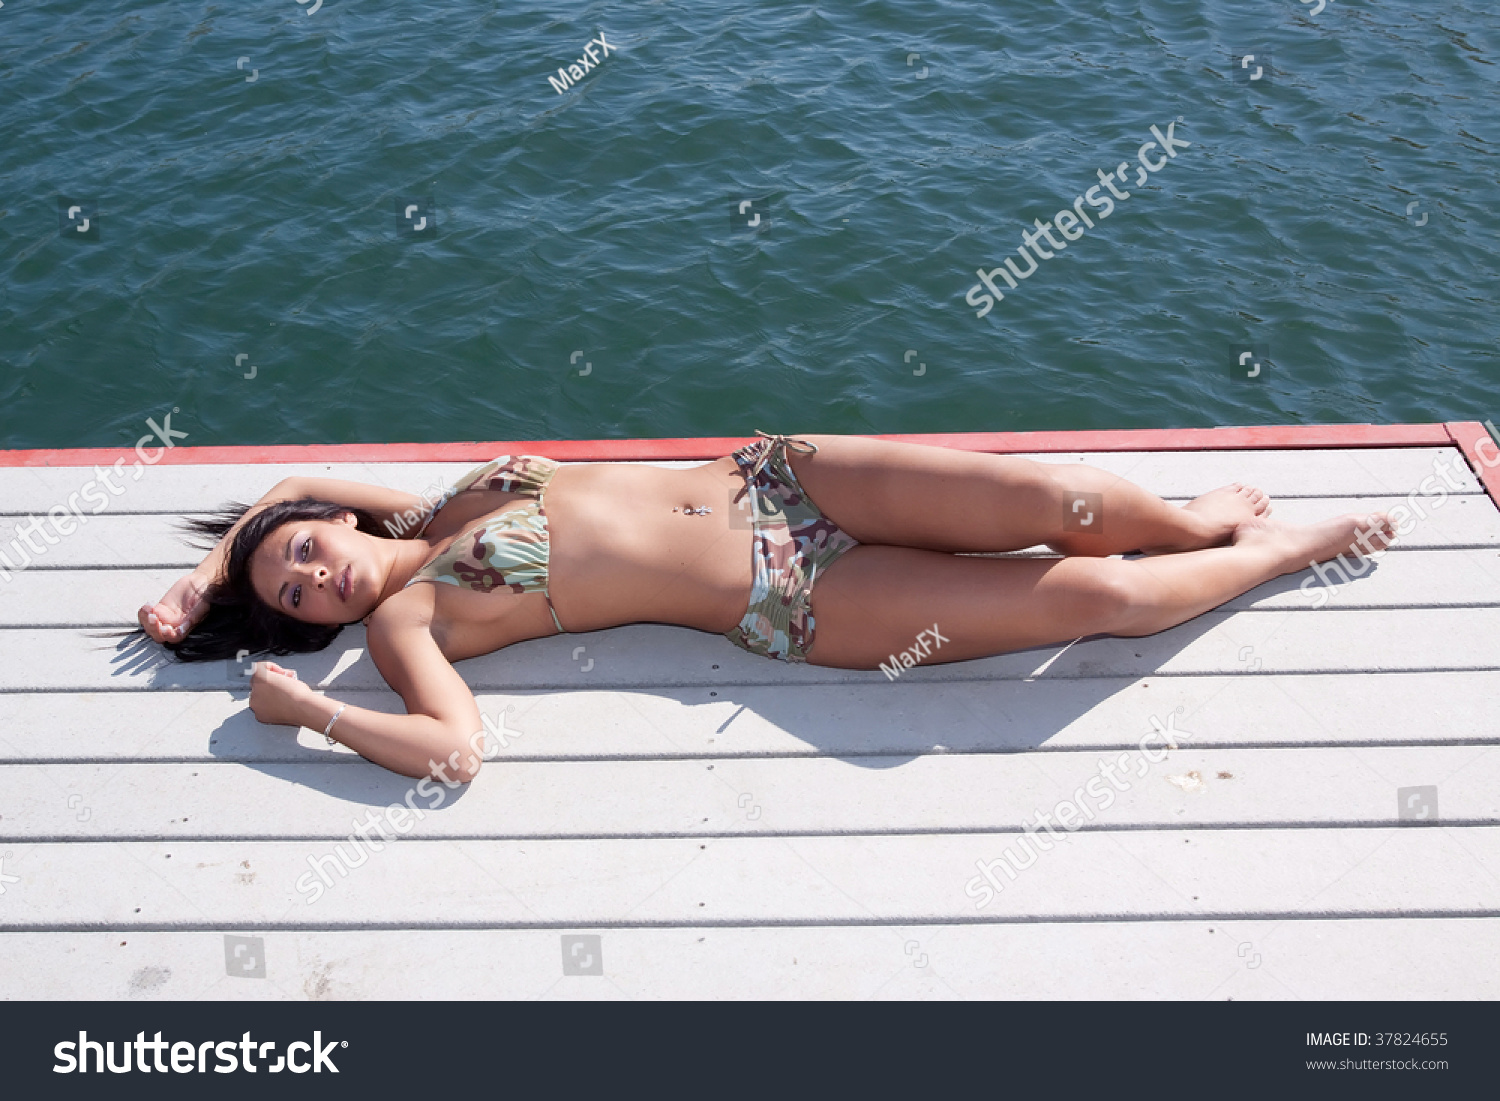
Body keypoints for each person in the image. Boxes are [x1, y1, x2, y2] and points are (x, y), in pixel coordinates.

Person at [133, 431, 1393, 781]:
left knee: (1063, 499)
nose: (312, 571)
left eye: (302, 549)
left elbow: (287, 483)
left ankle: (1196, 518)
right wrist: (306, 711)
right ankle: (1280, 550)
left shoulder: (414, 511)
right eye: (294, 594)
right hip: (795, 597)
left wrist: (203, 579)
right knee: (1107, 603)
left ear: (335, 525)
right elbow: (454, 751)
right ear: (313, 619)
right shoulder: (409, 627)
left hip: (777, 476)